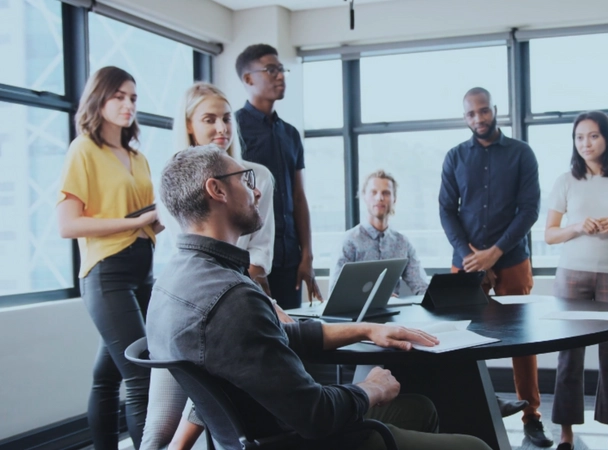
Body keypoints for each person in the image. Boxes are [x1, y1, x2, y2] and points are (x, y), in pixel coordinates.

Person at [147, 144, 491, 450]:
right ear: (216, 189)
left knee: (422, 408)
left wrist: (365, 329)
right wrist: (371, 389)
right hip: (299, 438)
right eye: (244, 178)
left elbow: (279, 334)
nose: (254, 191)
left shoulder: (173, 282)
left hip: (251, 433)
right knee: (475, 444)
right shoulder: (233, 298)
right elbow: (316, 414)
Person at [141, 82, 286, 450]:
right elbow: (188, 250)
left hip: (236, 299)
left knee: (221, 417)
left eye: (226, 119)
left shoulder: (257, 177)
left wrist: (251, 304)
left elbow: (259, 255)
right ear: (190, 125)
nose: (222, 128)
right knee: (158, 429)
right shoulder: (171, 183)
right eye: (210, 120)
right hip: (187, 303)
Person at [56, 66, 164, 450]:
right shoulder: (84, 149)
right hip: (108, 273)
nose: (127, 104)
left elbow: (149, 220)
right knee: (141, 376)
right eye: (118, 96)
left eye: (133, 97)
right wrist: (134, 221)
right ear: (98, 99)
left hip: (143, 269)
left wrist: (164, 218)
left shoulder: (136, 156)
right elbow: (68, 225)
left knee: (108, 377)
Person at [439, 87, 551, 447]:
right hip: (465, 261)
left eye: (484, 111)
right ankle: (469, 410)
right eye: (471, 114)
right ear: (465, 118)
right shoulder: (455, 157)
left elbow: (530, 209)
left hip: (513, 258)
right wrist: (469, 252)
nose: (479, 119)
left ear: (495, 111)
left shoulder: (522, 154)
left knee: (521, 340)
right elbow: (446, 210)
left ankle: (531, 418)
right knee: (459, 341)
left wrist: (495, 252)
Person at [544, 111, 608, 450]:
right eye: (579, 137)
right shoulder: (565, 181)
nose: (586, 143)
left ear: (607, 139)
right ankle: (566, 436)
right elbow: (549, 235)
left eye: (593, 136)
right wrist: (576, 227)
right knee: (569, 357)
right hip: (571, 277)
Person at [235, 43, 320, 309]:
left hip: (289, 258)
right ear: (248, 79)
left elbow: (299, 197)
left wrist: (306, 255)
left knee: (293, 334)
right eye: (271, 70)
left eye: (282, 70)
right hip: (251, 258)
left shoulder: (291, 134)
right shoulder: (234, 128)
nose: (280, 76)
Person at [332, 170, 429, 296]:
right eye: (373, 192)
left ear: (394, 199)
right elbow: (335, 292)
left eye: (386, 193)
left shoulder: (402, 243)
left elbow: (421, 286)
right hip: (357, 315)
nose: (380, 198)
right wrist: (376, 297)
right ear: (364, 197)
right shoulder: (350, 241)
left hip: (393, 314)